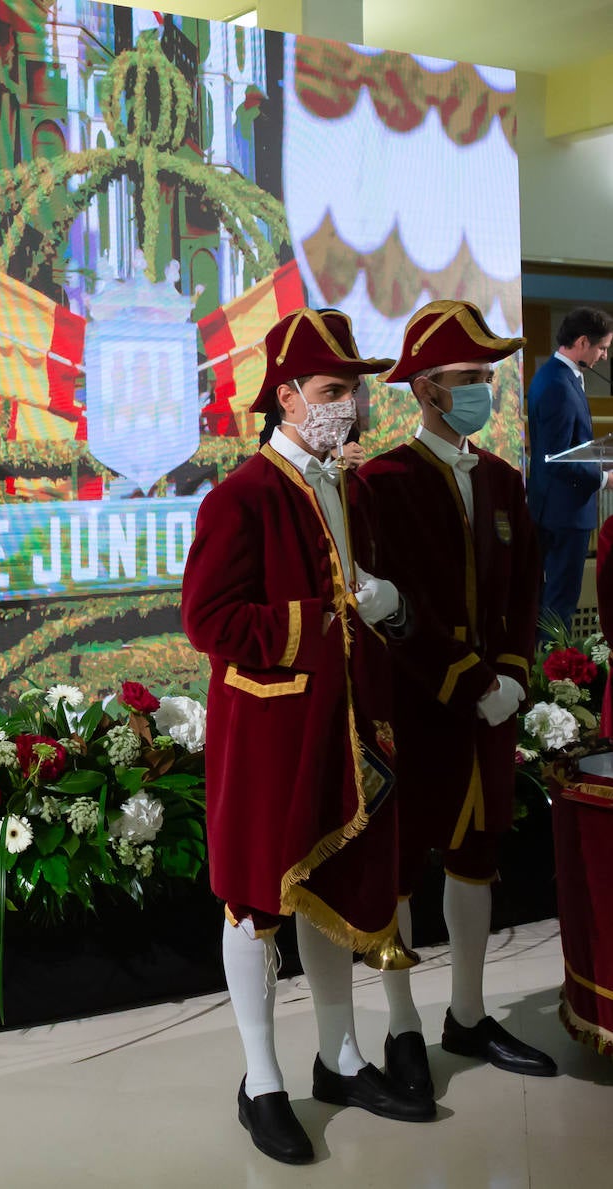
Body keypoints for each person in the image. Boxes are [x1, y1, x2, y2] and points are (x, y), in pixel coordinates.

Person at [182, 309, 431, 1167]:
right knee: (255, 903)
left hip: (351, 724)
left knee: (337, 883)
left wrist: (384, 604)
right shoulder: (240, 496)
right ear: (284, 396)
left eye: (354, 390)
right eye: (332, 390)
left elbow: (366, 596)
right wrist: (322, 623)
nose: (349, 406)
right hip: (270, 731)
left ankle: (341, 1055)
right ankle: (261, 1080)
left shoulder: (346, 485)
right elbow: (208, 619)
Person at [359, 299, 556, 1101]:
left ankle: (468, 1013)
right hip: (418, 711)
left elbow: (525, 588)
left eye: (488, 376)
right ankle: (403, 1022)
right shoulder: (382, 483)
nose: (485, 390)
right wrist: (468, 681)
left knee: (478, 862)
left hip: (492, 714)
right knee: (402, 870)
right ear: (428, 389)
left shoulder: (505, 481)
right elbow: (393, 608)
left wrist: (511, 674)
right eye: (469, 378)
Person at [525, 306, 613, 633]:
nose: (604, 356)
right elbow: (557, 457)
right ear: (581, 342)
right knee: (558, 606)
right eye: (602, 348)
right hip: (563, 514)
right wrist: (604, 478)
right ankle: (552, 680)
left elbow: (570, 444)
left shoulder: (559, 376)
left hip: (560, 509)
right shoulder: (559, 384)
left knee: (555, 603)